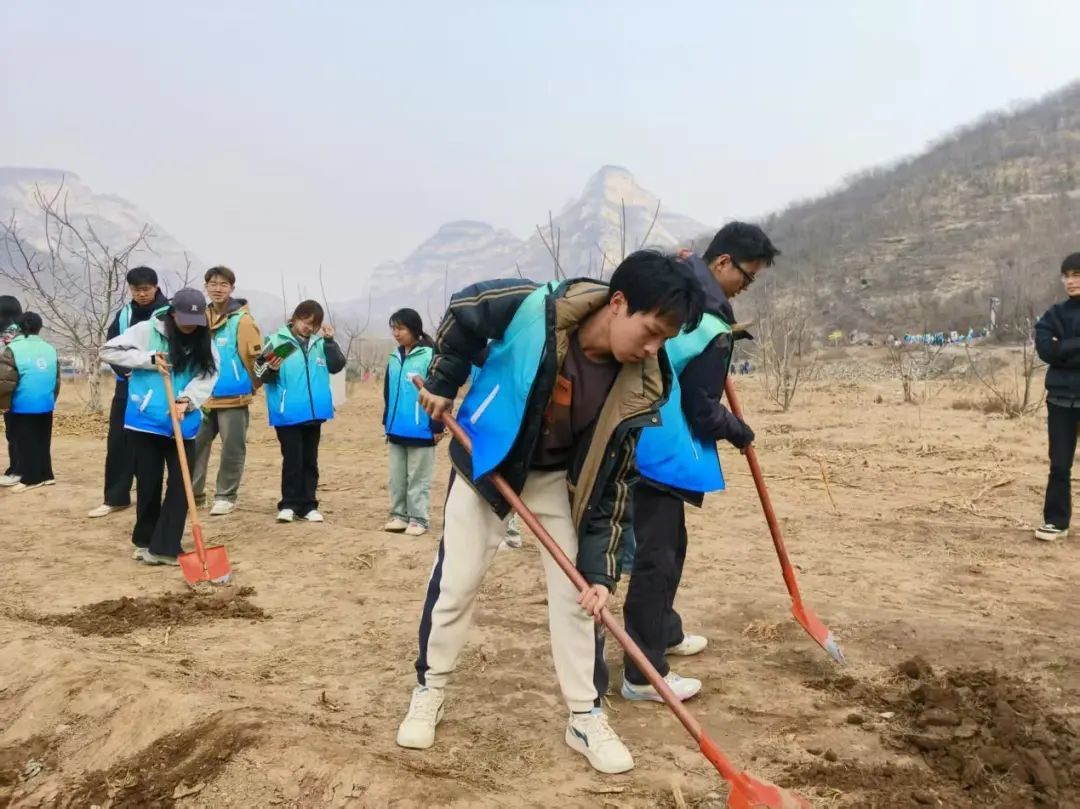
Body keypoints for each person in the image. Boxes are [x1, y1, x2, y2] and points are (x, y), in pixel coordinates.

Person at [396, 251, 705, 775]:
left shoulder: (645, 382)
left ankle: (584, 715)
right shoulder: (534, 306)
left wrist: (601, 572)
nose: (654, 349)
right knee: (456, 584)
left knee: (579, 598)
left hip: (557, 482)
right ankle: (431, 688)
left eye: (665, 340)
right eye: (651, 332)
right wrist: (445, 382)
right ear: (618, 302)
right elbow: (465, 310)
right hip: (487, 461)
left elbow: (616, 482)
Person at [625, 223, 778, 703]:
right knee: (656, 560)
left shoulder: (682, 298)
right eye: (746, 277)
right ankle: (643, 674)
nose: (745, 287)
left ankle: (665, 631)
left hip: (647, 443)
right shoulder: (708, 325)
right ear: (723, 263)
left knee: (672, 547)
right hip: (659, 451)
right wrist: (739, 430)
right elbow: (702, 408)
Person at [99, 288, 218, 565]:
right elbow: (108, 351)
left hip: (183, 423)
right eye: (185, 320)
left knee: (181, 485)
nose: (190, 326)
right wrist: (149, 360)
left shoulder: (204, 339)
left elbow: (209, 374)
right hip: (145, 421)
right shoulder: (146, 330)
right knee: (148, 484)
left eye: (196, 321)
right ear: (173, 314)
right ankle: (145, 541)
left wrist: (187, 400)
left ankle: (165, 547)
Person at [255, 300, 346, 523]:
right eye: (305, 322)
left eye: (314, 324)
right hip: (287, 412)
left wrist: (330, 341)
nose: (308, 328)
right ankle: (289, 504)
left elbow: (337, 366)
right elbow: (259, 372)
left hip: (314, 413)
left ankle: (309, 505)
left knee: (310, 460)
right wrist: (272, 369)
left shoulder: (320, 344)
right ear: (295, 318)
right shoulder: (277, 341)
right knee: (292, 459)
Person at [88, 267, 169, 517]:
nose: (141, 294)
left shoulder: (169, 313)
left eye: (146, 289)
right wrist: (125, 371)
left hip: (159, 388)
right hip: (127, 386)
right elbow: (111, 347)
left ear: (155, 287)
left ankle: (160, 501)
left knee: (155, 446)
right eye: (136, 290)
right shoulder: (124, 314)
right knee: (119, 443)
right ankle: (116, 497)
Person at [190, 266, 264, 516]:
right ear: (206, 287)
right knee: (195, 445)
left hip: (233, 397)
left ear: (232, 288)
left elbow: (254, 359)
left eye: (223, 284)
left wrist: (249, 385)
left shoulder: (243, 321)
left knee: (232, 448)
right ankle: (194, 495)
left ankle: (225, 496)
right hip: (201, 397)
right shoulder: (198, 317)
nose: (218, 289)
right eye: (213, 284)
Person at [383, 308, 444, 537]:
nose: (396, 333)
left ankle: (419, 518)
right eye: (394, 329)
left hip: (422, 428)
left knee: (418, 478)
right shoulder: (394, 356)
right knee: (397, 478)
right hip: (396, 427)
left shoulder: (430, 356)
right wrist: (386, 420)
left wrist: (437, 425)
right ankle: (399, 515)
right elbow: (388, 391)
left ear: (414, 329)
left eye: (400, 329)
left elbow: (440, 393)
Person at [1034, 252, 1080, 541]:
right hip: (1060, 401)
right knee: (1060, 465)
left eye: (1077, 275)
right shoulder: (1054, 314)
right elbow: (1045, 349)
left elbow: (1056, 350)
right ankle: (1056, 522)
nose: (1071, 281)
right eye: (1067, 275)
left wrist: (1063, 347)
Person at [0, 312, 60, 492]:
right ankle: (47, 475)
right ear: (39, 328)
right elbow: (56, 379)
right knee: (42, 439)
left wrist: (3, 405)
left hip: (22, 403)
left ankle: (32, 479)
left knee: (25, 441)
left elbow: (5, 381)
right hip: (46, 402)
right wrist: (51, 398)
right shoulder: (49, 348)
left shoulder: (12, 349)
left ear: (18, 327)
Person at [0, 295, 24, 487]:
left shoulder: (8, 335)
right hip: (22, 389)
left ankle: (17, 470)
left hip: (12, 389)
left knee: (15, 432)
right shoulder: (24, 332)